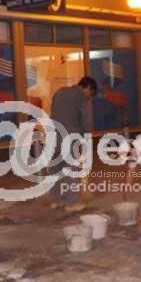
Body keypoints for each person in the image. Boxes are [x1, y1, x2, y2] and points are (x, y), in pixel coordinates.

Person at [49, 77, 97, 212]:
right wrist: (86, 134)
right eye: (91, 94)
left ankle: (57, 200)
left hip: (54, 135)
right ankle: (72, 202)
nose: (89, 96)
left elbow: (53, 111)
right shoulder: (81, 97)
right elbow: (86, 121)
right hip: (70, 136)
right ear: (88, 88)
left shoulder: (60, 92)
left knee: (56, 168)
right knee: (72, 169)